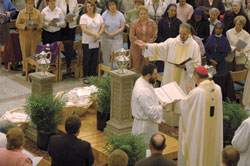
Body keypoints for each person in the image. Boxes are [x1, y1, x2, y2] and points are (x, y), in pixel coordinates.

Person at [136, 23, 201, 126]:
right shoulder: (172, 42)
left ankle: (180, 123)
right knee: (169, 96)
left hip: (184, 77)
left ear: (189, 33)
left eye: (184, 34)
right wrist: (146, 45)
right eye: (180, 33)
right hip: (170, 74)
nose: (181, 36)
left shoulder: (194, 46)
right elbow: (159, 47)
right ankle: (167, 121)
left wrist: (186, 66)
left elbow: (197, 64)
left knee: (182, 98)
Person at [177, 66, 223, 166]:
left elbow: (186, 107)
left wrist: (189, 92)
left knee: (200, 148)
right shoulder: (218, 88)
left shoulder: (197, 92)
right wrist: (192, 94)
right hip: (214, 130)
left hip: (201, 130)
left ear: (197, 77)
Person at [131, 63, 167, 142]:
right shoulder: (142, 91)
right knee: (145, 151)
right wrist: (162, 107)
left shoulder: (142, 80)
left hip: (146, 123)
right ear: (148, 75)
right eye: (155, 74)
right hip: (144, 127)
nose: (156, 76)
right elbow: (151, 112)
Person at [16, 0, 44, 75]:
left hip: (35, 35)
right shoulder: (21, 12)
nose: (30, 5)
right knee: (25, 52)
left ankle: (33, 68)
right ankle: (25, 69)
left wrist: (36, 27)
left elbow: (42, 23)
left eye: (31, 3)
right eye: (28, 3)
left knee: (34, 52)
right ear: (25, 4)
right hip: (24, 35)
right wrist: (25, 27)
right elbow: (17, 24)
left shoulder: (38, 12)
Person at [80, 0, 104, 84]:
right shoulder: (83, 17)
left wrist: (98, 35)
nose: (89, 7)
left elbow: (102, 27)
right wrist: (95, 35)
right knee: (87, 59)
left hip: (96, 41)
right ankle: (86, 76)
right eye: (88, 6)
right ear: (86, 8)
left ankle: (93, 76)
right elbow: (84, 29)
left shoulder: (98, 16)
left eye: (91, 6)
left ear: (94, 7)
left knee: (95, 59)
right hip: (87, 41)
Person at [130, 6, 157, 73]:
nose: (143, 15)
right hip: (136, 47)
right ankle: (136, 80)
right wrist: (140, 44)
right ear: (138, 14)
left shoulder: (152, 23)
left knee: (147, 66)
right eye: (141, 14)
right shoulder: (134, 23)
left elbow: (154, 35)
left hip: (148, 47)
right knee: (136, 66)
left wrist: (146, 44)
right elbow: (132, 36)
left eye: (144, 13)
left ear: (147, 14)